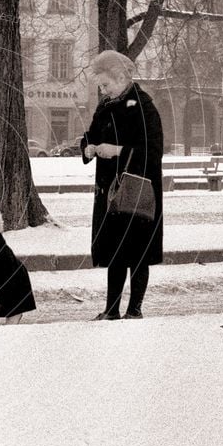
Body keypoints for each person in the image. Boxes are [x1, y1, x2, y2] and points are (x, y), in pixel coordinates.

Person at [80, 50, 164, 320]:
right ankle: (111, 309)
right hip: (110, 192)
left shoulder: (143, 105)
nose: (103, 91)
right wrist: (88, 148)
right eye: (101, 86)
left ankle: (134, 309)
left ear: (121, 77)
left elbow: (154, 150)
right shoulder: (105, 106)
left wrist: (117, 151)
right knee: (115, 251)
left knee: (138, 253)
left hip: (138, 191)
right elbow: (89, 135)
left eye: (106, 84)